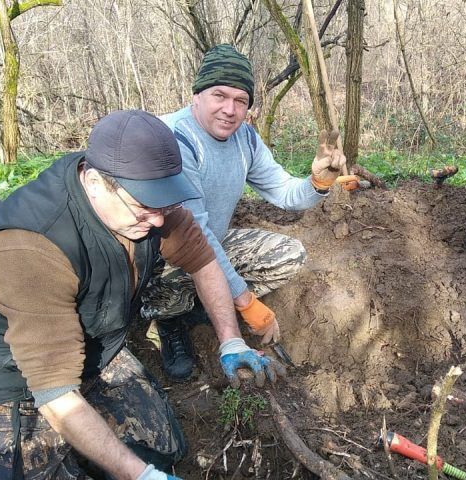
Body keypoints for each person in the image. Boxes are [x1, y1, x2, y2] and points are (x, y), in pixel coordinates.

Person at [0, 110, 284, 480]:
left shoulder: (146, 197)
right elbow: (55, 393)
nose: (157, 220)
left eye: (163, 206)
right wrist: (140, 477)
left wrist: (231, 341)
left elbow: (203, 262)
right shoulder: (27, 248)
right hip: (12, 378)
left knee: (161, 448)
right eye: (145, 207)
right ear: (94, 182)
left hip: (96, 347)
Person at [143, 44, 346, 379]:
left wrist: (318, 182)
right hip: (161, 255)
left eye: (241, 100)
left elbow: (284, 192)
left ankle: (200, 308)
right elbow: (197, 235)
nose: (230, 109)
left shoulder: (246, 139)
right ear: (197, 95)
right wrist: (244, 300)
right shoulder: (175, 139)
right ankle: (170, 321)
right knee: (168, 286)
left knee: (287, 253)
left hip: (210, 245)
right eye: (219, 95)